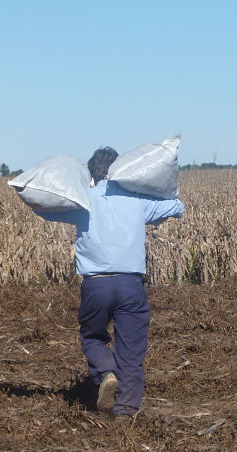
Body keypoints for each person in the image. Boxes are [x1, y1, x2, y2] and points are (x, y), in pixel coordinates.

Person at [34, 147, 185, 417]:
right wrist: (155, 190)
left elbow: (45, 208)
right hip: (130, 286)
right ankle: (126, 411)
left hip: (96, 285)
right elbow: (177, 206)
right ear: (122, 172)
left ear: (92, 173)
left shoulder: (83, 201)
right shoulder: (137, 201)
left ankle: (106, 373)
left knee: (92, 336)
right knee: (131, 349)